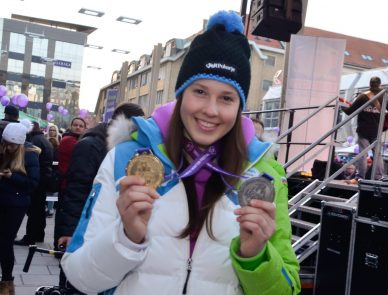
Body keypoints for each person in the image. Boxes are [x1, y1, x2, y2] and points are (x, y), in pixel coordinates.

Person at [61, 11, 300, 295]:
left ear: (239, 107)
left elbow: (288, 290)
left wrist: (256, 256)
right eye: (200, 91)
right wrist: (126, 239)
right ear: (181, 93)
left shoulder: (264, 175)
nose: (211, 110)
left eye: (226, 98)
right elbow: (81, 278)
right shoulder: (126, 159)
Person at [55, 103, 144, 292]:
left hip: (103, 223)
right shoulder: (90, 145)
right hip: (83, 224)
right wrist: (70, 230)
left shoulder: (124, 149)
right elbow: (76, 190)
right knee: (75, 280)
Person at [0, 122, 40, 295]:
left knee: (5, 243)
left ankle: (7, 282)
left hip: (16, 205)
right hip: (2, 201)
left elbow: (32, 184)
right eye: (6, 143)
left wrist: (11, 177)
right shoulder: (3, 151)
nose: (8, 147)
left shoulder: (30, 155)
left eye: (12, 144)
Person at [342, 76, 388, 180]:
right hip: (377, 130)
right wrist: (382, 116)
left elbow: (350, 111)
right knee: (378, 154)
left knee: (362, 154)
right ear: (380, 84)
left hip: (363, 129)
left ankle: (360, 176)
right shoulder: (385, 97)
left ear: (369, 84)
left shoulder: (363, 96)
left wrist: (342, 107)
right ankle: (379, 176)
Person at [15, 121, 54, 246]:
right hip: (44, 178)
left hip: (37, 178)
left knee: (33, 210)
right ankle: (38, 235)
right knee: (39, 209)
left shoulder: (34, 141)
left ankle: (30, 237)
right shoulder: (43, 139)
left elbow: (33, 162)